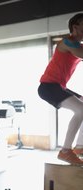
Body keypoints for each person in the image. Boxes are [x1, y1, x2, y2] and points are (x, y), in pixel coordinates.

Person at [38, 13, 83, 165]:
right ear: (75, 27)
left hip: (58, 86)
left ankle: (79, 147)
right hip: (48, 87)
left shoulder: (77, 44)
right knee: (81, 110)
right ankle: (65, 151)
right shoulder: (67, 42)